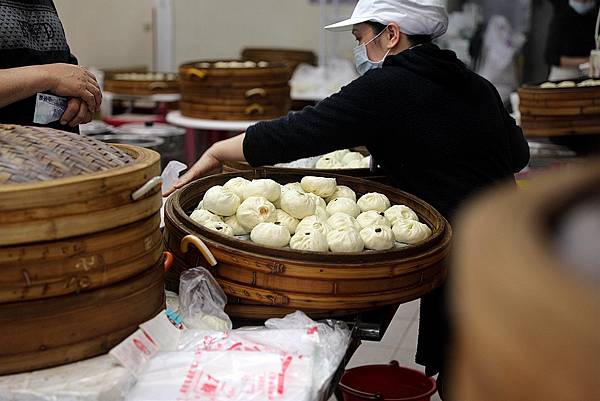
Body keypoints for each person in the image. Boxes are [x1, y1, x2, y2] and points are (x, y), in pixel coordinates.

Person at [165, 0, 530, 397]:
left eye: (361, 38)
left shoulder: (388, 86)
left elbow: (299, 131)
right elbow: (517, 155)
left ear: (391, 34)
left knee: (470, 373)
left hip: (467, 250)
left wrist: (217, 153)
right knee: (497, 360)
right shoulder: (474, 83)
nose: (360, 50)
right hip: (513, 240)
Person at [0, 0, 101, 130]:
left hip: (54, 145)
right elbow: (55, 75)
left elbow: (62, 68)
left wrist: (80, 96)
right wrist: (51, 77)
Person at [545, 0, 600, 80]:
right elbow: (551, 57)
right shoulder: (561, 20)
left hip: (587, 73)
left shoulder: (593, 20)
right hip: (563, 74)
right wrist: (585, 61)